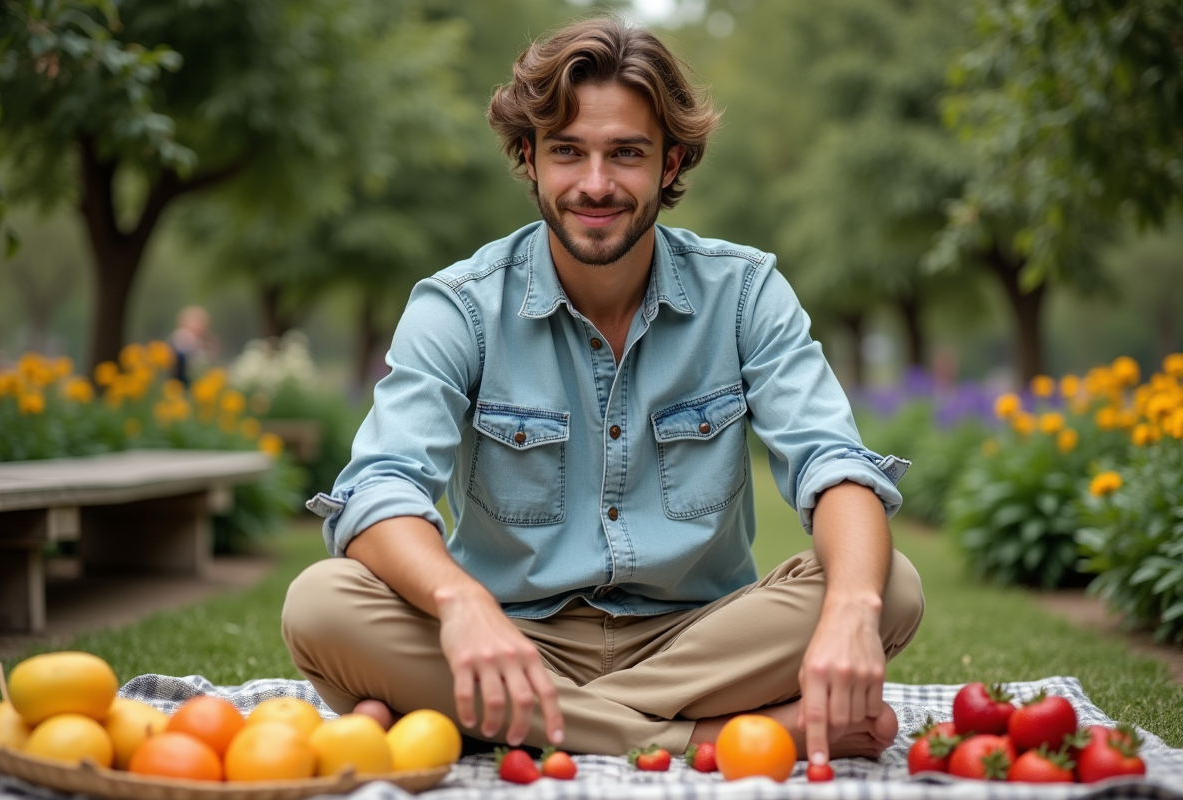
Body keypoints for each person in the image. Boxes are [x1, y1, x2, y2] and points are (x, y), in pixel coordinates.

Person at [282, 17, 924, 767]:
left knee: (887, 586)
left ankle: (492, 720)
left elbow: (833, 463)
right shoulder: (458, 308)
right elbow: (381, 488)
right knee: (322, 604)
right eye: (566, 151)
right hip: (511, 636)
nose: (595, 184)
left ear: (670, 160)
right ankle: (707, 738)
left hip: (704, 638)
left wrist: (850, 609)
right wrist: (462, 607)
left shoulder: (746, 294)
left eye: (626, 153)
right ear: (528, 158)